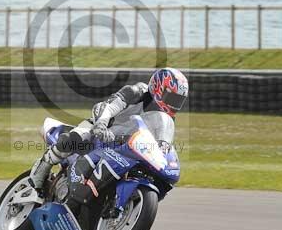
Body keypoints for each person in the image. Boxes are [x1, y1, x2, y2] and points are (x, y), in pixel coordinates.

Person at [28, 67, 189, 191]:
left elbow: (163, 142)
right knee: (78, 137)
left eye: (178, 100)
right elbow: (110, 107)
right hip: (103, 129)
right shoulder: (137, 92)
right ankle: (43, 166)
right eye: (171, 97)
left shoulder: (165, 119)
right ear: (158, 88)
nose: (173, 104)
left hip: (126, 145)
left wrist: (163, 154)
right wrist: (101, 125)